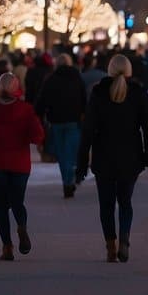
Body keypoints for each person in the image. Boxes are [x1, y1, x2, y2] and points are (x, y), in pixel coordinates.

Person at [77, 54, 148, 263]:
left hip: (103, 156)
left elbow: (88, 130)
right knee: (125, 202)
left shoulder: (98, 93)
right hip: (130, 157)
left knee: (106, 204)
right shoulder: (139, 94)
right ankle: (124, 239)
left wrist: (82, 160)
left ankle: (110, 245)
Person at [0, 72, 45, 260]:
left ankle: (7, 247)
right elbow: (37, 135)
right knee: (17, 201)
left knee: (1, 205)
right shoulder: (26, 109)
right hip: (20, 163)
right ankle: (21, 225)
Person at [35, 54, 89, 198]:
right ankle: (70, 178)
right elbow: (84, 98)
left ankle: (66, 181)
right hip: (73, 120)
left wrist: (40, 113)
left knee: (61, 153)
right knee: (71, 152)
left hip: (56, 121)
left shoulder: (51, 80)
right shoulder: (77, 78)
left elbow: (42, 100)